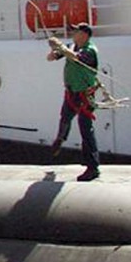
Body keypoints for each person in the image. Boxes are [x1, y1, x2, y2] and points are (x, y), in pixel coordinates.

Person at [48, 23, 101, 181]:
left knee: (86, 128)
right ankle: (60, 139)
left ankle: (92, 166)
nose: (72, 33)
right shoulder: (72, 47)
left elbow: (77, 59)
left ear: (84, 35)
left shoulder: (90, 50)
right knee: (65, 117)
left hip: (84, 96)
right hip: (71, 94)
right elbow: (51, 58)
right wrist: (54, 50)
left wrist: (62, 47)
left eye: (76, 31)